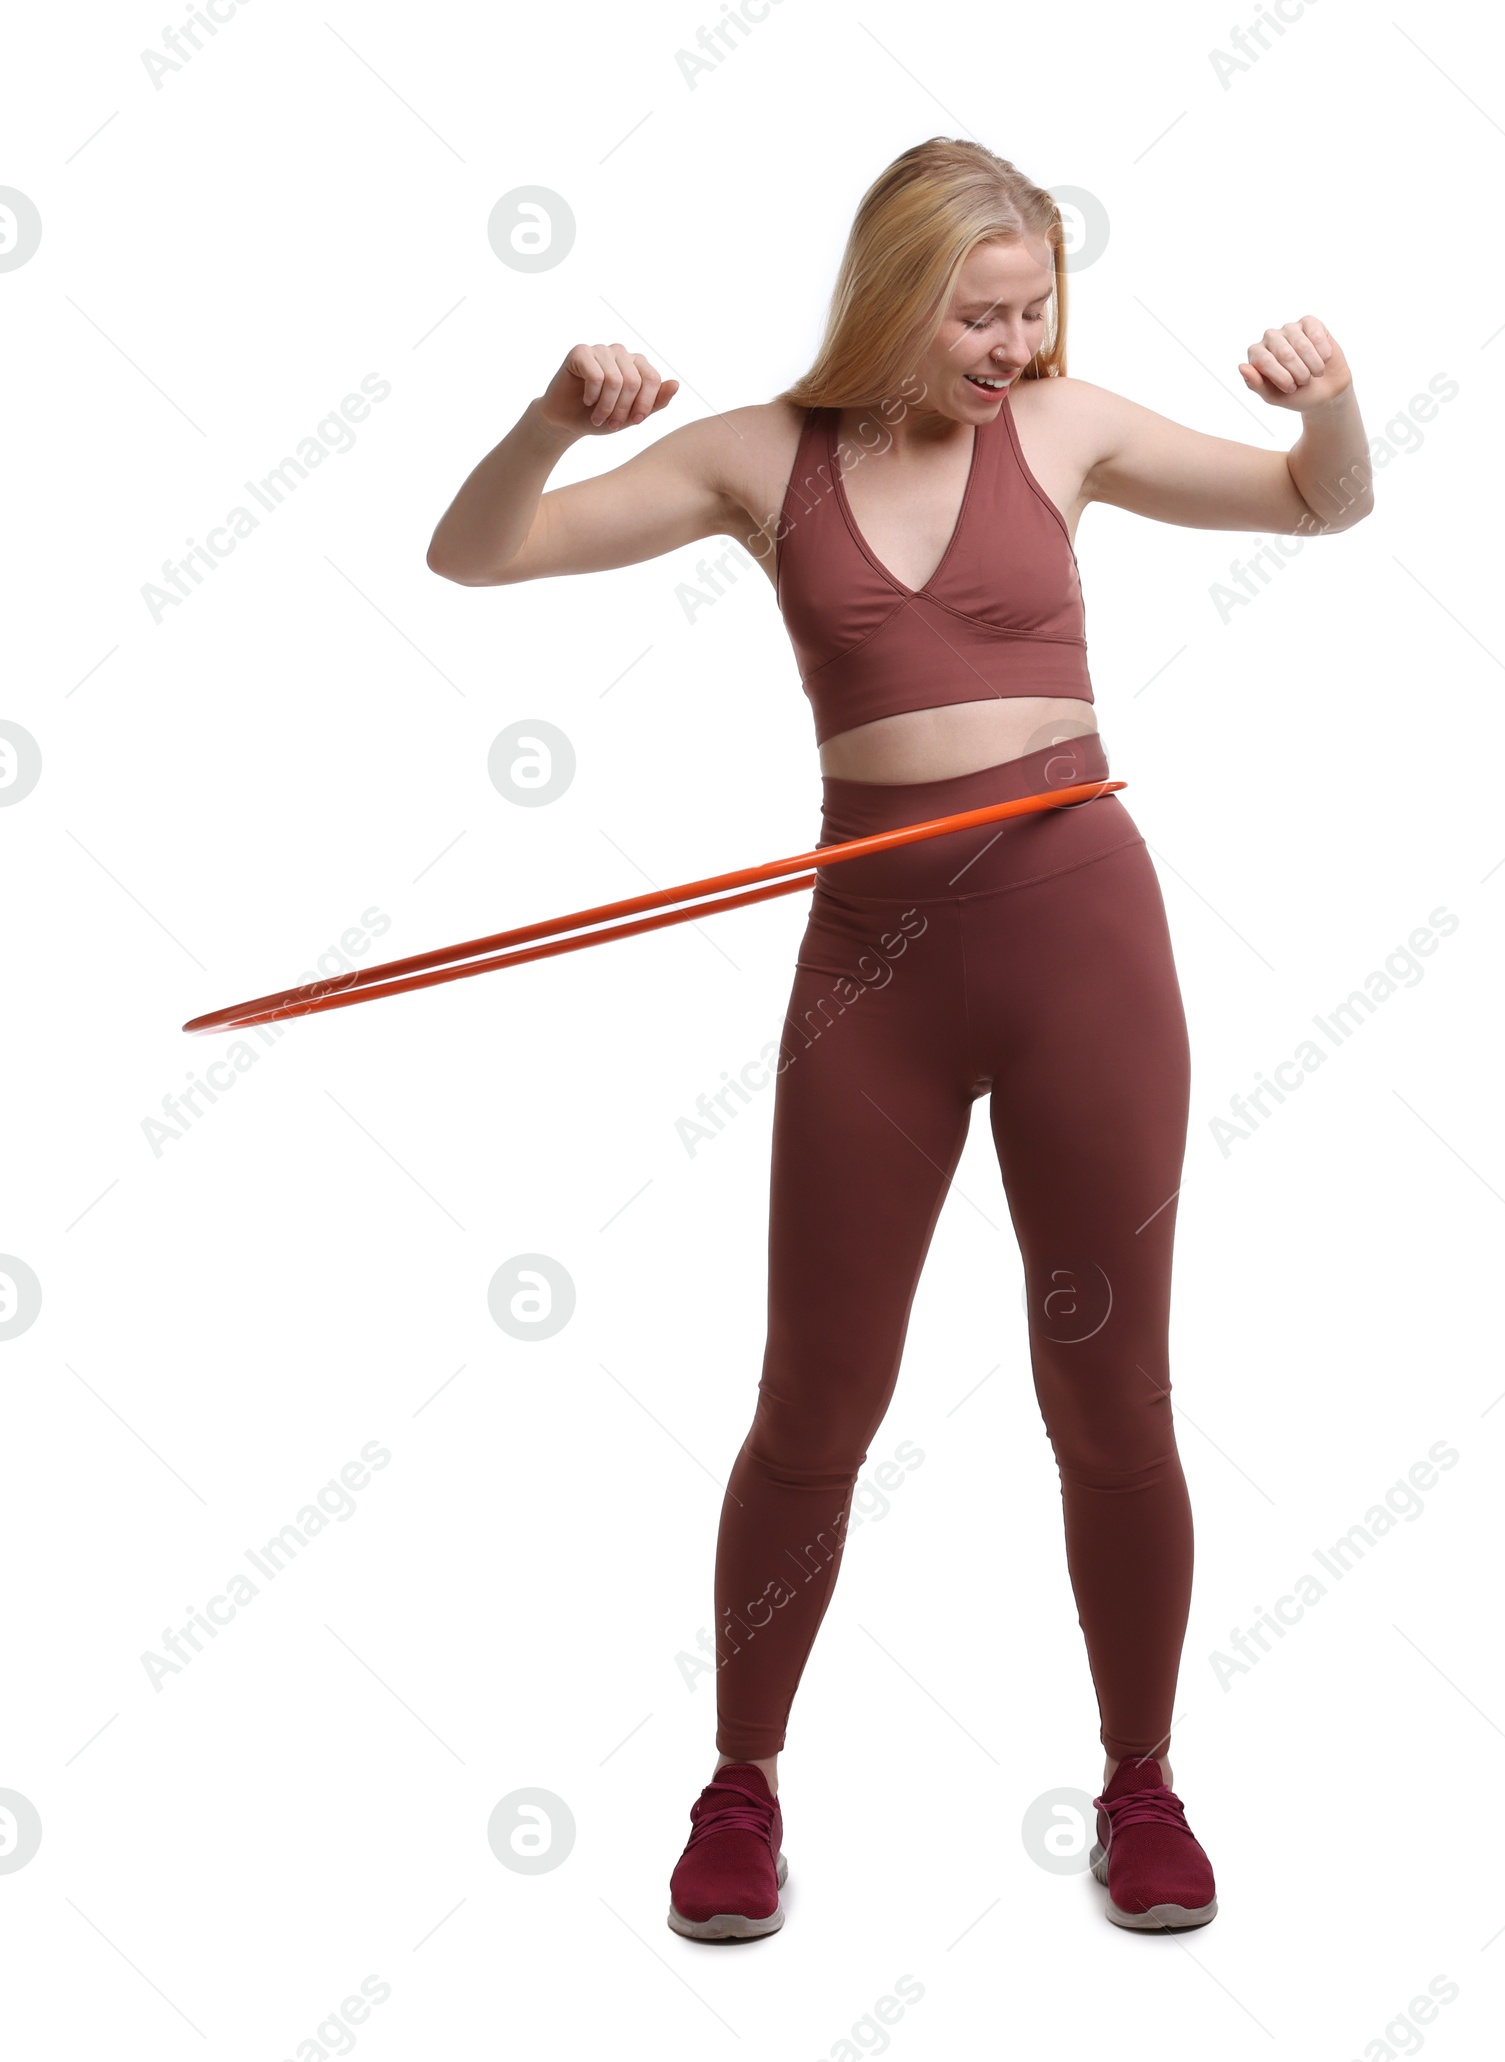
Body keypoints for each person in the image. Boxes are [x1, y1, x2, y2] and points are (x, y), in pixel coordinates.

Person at [426, 135, 1374, 1939]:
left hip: (1082, 934)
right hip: (872, 970)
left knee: (1112, 1391)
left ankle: (1144, 1779)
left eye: (1035, 312)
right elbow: (478, 558)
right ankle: (740, 1784)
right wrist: (552, 418)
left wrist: (1330, 408)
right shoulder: (753, 457)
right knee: (816, 1397)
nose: (1014, 346)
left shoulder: (1071, 429)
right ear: (889, 291)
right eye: (982, 313)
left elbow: (1324, 507)